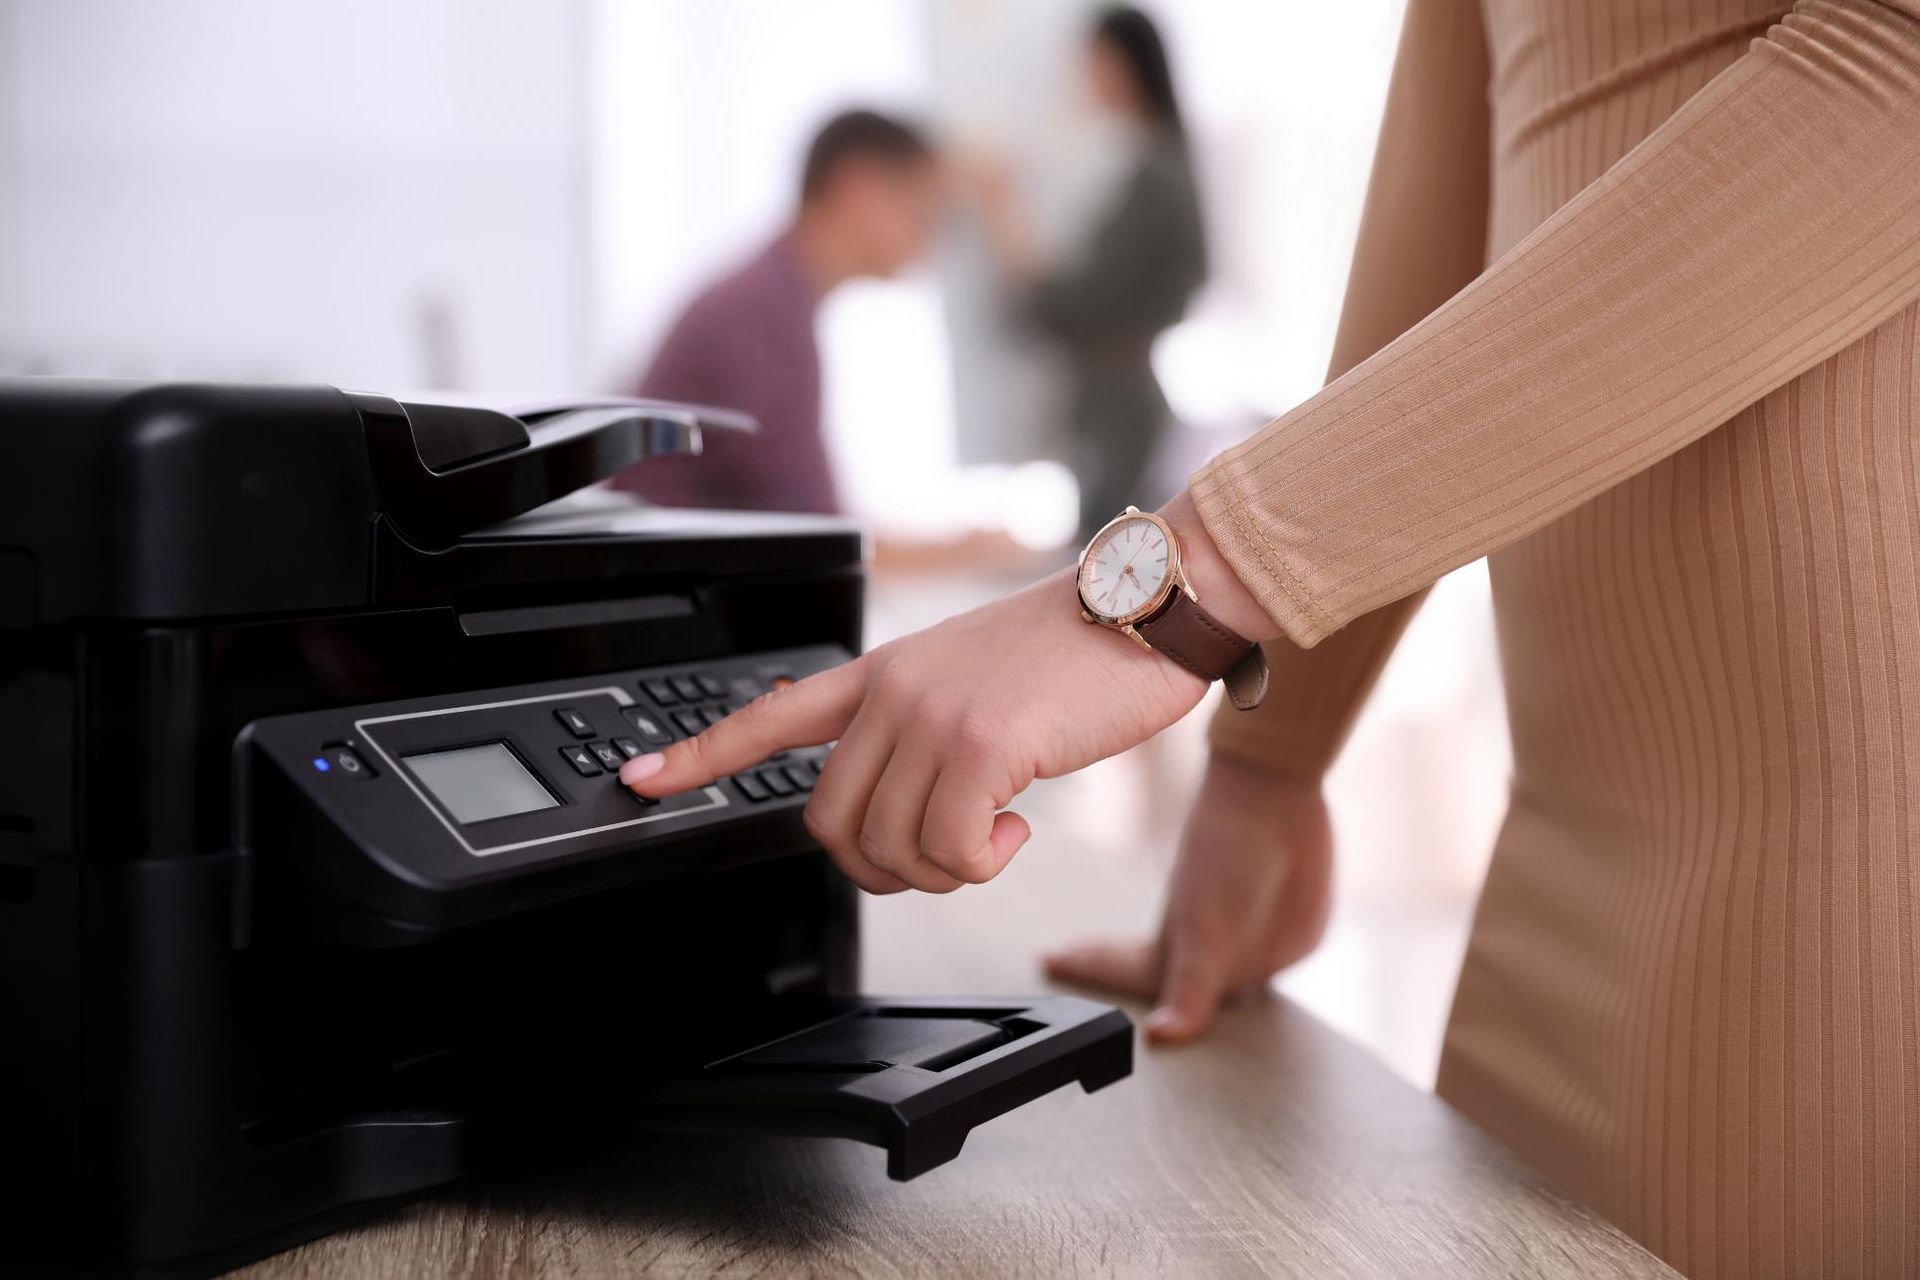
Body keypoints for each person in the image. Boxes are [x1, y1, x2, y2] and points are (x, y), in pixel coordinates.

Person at [621, 1, 1920, 1274]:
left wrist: (1188, 589)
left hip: (1835, 815)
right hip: (1569, 827)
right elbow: (1444, 228)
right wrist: (1269, 756)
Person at [611, 109, 939, 514]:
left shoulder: (775, 293)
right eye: (924, 212)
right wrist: (969, 546)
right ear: (860, 187)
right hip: (663, 566)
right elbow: (817, 530)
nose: (931, 237)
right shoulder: (761, 314)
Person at [972, 5, 1207, 539]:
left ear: (1122, 63)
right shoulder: (1148, 166)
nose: (1082, 77)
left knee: (1106, 566)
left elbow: (1070, 300)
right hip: (1114, 408)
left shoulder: (1157, 176)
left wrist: (1002, 210)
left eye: (1091, 61)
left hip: (1120, 415)